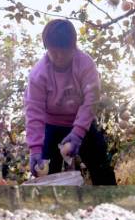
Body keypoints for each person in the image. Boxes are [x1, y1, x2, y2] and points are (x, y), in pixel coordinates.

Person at [24, 19, 117, 185]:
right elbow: (34, 112)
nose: (59, 57)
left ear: (74, 47)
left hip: (81, 122)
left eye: (64, 52)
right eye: (54, 52)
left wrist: (78, 133)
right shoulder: (38, 74)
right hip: (51, 126)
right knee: (45, 174)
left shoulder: (85, 64)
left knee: (100, 166)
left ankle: (110, 202)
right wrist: (35, 150)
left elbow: (91, 100)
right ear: (46, 48)